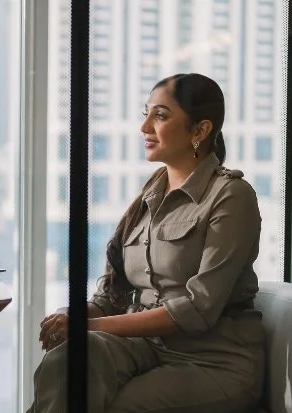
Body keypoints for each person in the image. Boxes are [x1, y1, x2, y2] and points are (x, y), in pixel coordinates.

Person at [28, 73, 265, 413]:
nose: (145, 128)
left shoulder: (231, 196)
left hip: (212, 362)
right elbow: (112, 299)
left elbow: (198, 309)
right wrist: (72, 317)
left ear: (200, 130)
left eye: (161, 115)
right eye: (147, 113)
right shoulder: (149, 197)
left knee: (120, 404)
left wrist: (90, 326)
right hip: (145, 349)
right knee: (68, 361)